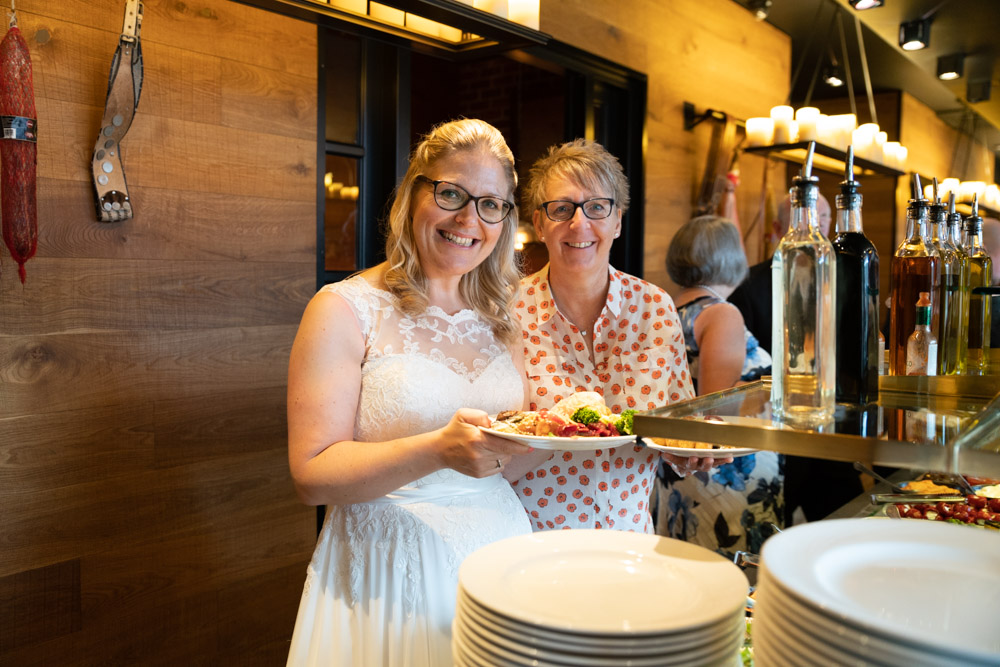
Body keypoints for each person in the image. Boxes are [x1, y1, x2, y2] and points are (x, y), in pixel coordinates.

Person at [285, 119, 534, 666]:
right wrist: (435, 449)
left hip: (501, 554)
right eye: (451, 194)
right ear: (414, 193)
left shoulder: (503, 320)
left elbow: (504, 460)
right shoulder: (343, 309)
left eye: (491, 204)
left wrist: (545, 436)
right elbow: (310, 475)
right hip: (389, 569)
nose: (469, 219)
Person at [510, 139, 728, 533]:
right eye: (561, 209)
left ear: (618, 221)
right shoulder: (507, 312)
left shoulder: (655, 308)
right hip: (532, 537)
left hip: (629, 536)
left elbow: (674, 429)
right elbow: (495, 441)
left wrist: (693, 453)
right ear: (539, 224)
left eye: (597, 207)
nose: (580, 224)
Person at [729, 190, 861, 525]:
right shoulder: (748, 287)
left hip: (831, 426)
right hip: (776, 433)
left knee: (849, 521)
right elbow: (741, 371)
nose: (816, 224)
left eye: (825, 216)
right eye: (806, 215)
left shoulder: (845, 279)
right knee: (774, 529)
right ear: (777, 227)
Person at [655, 215, 782, 557]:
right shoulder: (721, 313)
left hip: (682, 468)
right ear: (730, 258)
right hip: (723, 471)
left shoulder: (665, 308)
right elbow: (714, 409)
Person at [728, 192, 831, 356]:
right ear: (777, 228)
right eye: (802, 226)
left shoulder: (839, 280)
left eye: (821, 225)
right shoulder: (747, 286)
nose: (813, 236)